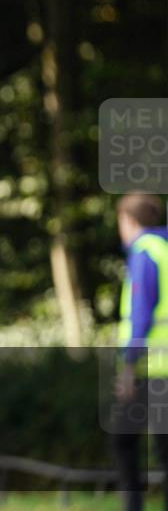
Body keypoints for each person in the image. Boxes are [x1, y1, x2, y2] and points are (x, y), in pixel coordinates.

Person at [112, 193, 168, 511]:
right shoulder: (165, 249)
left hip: (153, 369)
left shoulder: (144, 252)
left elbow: (142, 316)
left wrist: (128, 368)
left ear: (129, 221)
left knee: (123, 442)